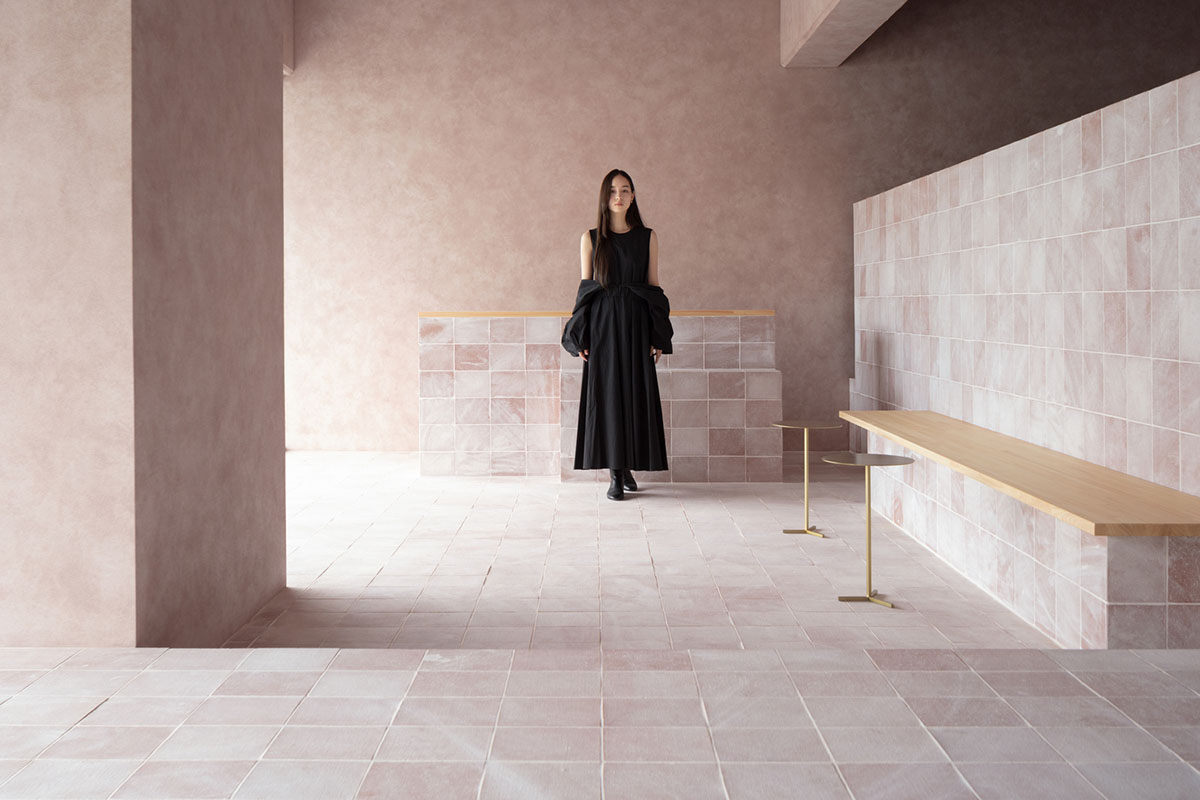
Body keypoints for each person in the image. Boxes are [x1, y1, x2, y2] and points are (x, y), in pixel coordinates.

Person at [561, 169, 673, 500]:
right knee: (608, 395)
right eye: (612, 191)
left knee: (635, 394)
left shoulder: (648, 237)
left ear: (634, 196)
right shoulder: (591, 238)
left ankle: (628, 469)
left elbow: (653, 288)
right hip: (604, 325)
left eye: (625, 190)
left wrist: (657, 335)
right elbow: (586, 289)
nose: (619, 196)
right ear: (604, 197)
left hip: (637, 324)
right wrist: (580, 336)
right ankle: (615, 473)